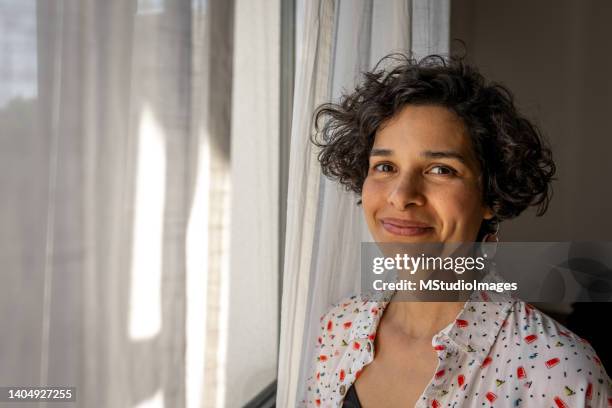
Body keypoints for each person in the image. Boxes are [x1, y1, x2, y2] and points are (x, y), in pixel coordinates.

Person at [302, 53, 611, 407]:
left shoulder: (560, 373)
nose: (401, 197)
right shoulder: (337, 329)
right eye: (385, 166)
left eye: (440, 170)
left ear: (491, 195)